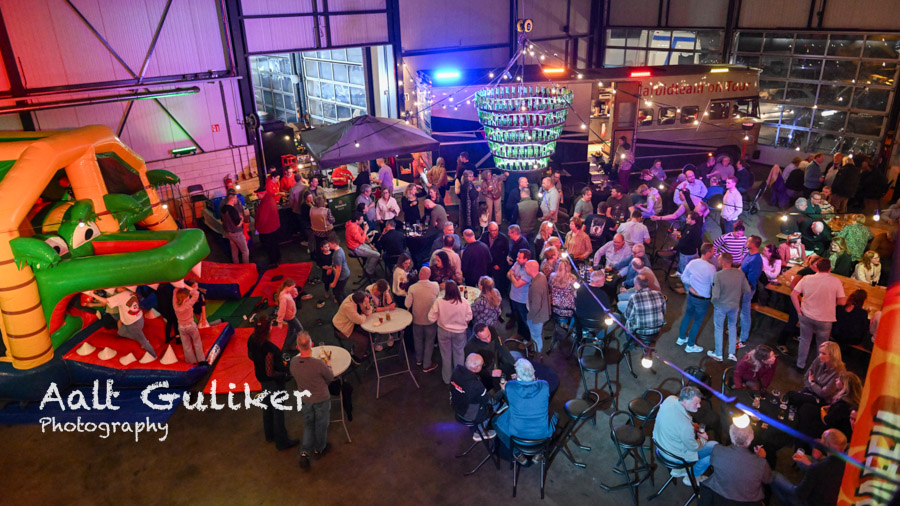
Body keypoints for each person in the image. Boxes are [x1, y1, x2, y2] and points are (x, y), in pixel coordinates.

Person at [246, 315, 297, 450]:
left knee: (267, 407)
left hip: (262, 378)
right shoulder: (270, 348)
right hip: (273, 382)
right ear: (268, 329)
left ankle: (269, 435)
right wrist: (286, 374)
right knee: (278, 411)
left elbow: (251, 356)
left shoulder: (252, 340)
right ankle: (282, 442)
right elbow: (270, 372)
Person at [653, 387, 718, 484]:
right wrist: (703, 438)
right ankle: (691, 476)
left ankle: (679, 470)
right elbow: (694, 447)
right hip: (675, 457)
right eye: (696, 403)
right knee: (713, 451)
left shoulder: (670, 399)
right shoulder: (685, 427)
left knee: (711, 447)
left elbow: (674, 422)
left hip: (661, 445)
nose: (699, 406)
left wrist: (691, 426)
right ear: (685, 401)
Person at [493, 358, 557, 455]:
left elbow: (510, 400)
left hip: (517, 435)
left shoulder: (510, 386)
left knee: (495, 421)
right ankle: (540, 453)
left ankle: (516, 452)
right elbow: (534, 382)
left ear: (518, 375)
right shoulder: (544, 385)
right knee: (554, 415)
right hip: (541, 436)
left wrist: (503, 390)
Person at [792, 258, 846, 370]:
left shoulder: (807, 278)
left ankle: (800, 365)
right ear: (830, 268)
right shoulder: (836, 281)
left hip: (806, 315)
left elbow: (793, 294)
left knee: (804, 340)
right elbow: (842, 301)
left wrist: (798, 310)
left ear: (817, 267)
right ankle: (819, 367)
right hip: (825, 319)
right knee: (822, 344)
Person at [291, 331, 334, 468]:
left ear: (297, 347)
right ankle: (319, 448)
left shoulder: (293, 362)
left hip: (305, 399)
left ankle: (304, 452)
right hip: (321, 398)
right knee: (321, 425)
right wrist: (328, 365)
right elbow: (330, 377)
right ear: (312, 345)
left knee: (309, 425)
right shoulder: (318, 364)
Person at [770, 429, 847, 506]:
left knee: (773, 475)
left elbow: (799, 494)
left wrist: (811, 466)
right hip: (835, 497)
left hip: (813, 502)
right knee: (804, 461)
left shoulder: (816, 468)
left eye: (822, 439)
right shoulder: (849, 460)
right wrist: (808, 464)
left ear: (826, 446)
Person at [701, 423, 772, 504]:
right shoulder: (761, 463)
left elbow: (714, 463)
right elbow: (768, 479)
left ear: (731, 437)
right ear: (750, 440)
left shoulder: (717, 450)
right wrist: (760, 458)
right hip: (747, 503)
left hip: (717, 498)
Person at [88, 288, 157, 359]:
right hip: (139, 319)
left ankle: (154, 356)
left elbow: (105, 301)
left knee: (142, 340)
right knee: (122, 331)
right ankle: (139, 338)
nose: (116, 288)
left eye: (118, 287)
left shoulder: (121, 296)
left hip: (133, 324)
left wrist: (92, 294)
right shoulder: (129, 293)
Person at [428, 280, 473, 384]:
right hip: (460, 332)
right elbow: (469, 316)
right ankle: (459, 379)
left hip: (443, 331)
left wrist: (440, 317)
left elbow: (431, 318)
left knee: (445, 355)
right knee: (459, 354)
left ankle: (447, 379)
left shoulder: (439, 301)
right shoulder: (463, 301)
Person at [709, 252, 750, 362]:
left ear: (722, 261)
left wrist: (713, 302)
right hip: (734, 306)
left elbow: (715, 295)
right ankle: (731, 353)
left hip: (721, 306)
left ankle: (718, 353)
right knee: (732, 327)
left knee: (719, 328)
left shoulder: (718, 275)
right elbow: (747, 290)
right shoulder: (740, 274)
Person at [677, 243, 717, 353]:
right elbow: (713, 283)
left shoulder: (692, 263)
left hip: (691, 296)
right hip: (702, 299)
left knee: (687, 315)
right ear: (708, 252)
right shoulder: (711, 268)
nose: (714, 253)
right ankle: (690, 345)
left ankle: (681, 338)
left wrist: (692, 286)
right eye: (713, 251)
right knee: (697, 321)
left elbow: (684, 277)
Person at [450, 353, 495, 438]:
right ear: (476, 368)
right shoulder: (475, 385)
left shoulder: (456, 370)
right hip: (468, 413)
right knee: (496, 404)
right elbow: (489, 400)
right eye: (482, 365)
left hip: (456, 405)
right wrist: (503, 391)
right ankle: (479, 432)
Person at [406, 267, 440, 372]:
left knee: (418, 339)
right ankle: (427, 364)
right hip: (431, 320)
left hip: (417, 319)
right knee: (429, 341)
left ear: (419, 274)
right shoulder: (435, 285)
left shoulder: (412, 287)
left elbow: (407, 304)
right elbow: (437, 298)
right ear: (429, 275)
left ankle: (419, 360)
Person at [466, 323, 516, 389]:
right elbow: (472, 369)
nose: (488, 340)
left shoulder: (492, 330)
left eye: (489, 335)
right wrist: (490, 373)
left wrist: (514, 363)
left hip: (493, 361)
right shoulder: (470, 347)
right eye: (484, 338)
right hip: (484, 370)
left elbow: (501, 347)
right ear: (477, 336)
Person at [737, 235, 763, 349]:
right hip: (741, 287)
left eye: (748, 241)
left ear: (753, 244)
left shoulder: (756, 260)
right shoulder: (749, 254)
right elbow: (742, 268)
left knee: (745, 313)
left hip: (746, 290)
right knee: (741, 311)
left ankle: (743, 338)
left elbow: (752, 280)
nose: (746, 242)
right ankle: (740, 331)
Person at [332, 291, 372, 363]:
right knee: (364, 340)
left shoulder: (355, 297)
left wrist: (368, 305)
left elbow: (367, 312)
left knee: (370, 332)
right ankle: (356, 356)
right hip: (342, 329)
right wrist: (363, 314)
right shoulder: (348, 306)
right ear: (360, 302)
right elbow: (360, 320)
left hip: (352, 324)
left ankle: (364, 349)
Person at [624, 274, 667, 339]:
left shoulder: (634, 297)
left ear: (636, 284)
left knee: (627, 322)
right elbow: (664, 311)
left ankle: (630, 344)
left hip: (640, 330)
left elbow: (627, 316)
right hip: (657, 328)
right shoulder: (659, 294)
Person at [173, 285, 205, 365]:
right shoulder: (188, 304)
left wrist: (178, 286)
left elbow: (174, 292)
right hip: (191, 325)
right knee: (197, 342)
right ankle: (201, 361)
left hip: (181, 327)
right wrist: (185, 286)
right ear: (187, 297)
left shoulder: (175, 306)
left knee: (186, 345)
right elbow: (196, 294)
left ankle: (192, 361)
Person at [525, 260, 550, 354]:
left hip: (537, 317)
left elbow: (536, 307)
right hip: (543, 313)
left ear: (531, 269)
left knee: (536, 336)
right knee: (538, 334)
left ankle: (538, 355)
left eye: (526, 267)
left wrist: (529, 317)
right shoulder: (541, 276)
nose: (525, 268)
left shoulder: (536, 285)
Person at [507, 249, 533, 338]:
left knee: (525, 320)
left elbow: (517, 284)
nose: (517, 259)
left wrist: (512, 276)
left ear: (526, 259)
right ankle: (520, 333)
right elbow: (508, 273)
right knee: (518, 318)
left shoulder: (528, 270)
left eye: (519, 257)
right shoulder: (517, 264)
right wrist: (513, 277)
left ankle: (527, 339)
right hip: (513, 296)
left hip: (522, 300)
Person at [345, 212, 379, 277]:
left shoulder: (355, 224)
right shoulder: (352, 228)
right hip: (355, 248)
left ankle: (365, 269)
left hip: (358, 244)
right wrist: (366, 230)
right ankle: (369, 272)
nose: (363, 220)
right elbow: (361, 240)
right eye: (361, 219)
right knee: (377, 255)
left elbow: (362, 233)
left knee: (375, 251)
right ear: (357, 220)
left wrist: (370, 245)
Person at [480, 222, 511, 294]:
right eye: (492, 230)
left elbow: (505, 253)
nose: (495, 232)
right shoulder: (485, 235)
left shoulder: (503, 239)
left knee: (498, 281)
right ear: (489, 230)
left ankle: (500, 295)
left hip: (497, 264)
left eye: (496, 230)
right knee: (487, 279)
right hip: (487, 263)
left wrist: (499, 264)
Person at [221, 189, 249, 264]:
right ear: (233, 198)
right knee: (245, 251)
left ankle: (236, 266)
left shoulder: (223, 208)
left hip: (229, 233)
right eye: (236, 198)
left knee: (234, 251)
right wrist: (242, 218)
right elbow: (238, 224)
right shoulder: (233, 210)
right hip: (237, 233)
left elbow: (222, 220)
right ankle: (247, 268)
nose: (237, 200)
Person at [549, 261, 577, 330]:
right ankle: (571, 329)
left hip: (554, 307)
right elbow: (575, 293)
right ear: (569, 267)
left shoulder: (552, 276)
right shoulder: (572, 278)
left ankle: (562, 324)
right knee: (579, 309)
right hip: (568, 309)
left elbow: (550, 289)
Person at [275, 278, 303, 346]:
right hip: (290, 316)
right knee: (300, 330)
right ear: (287, 287)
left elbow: (295, 295)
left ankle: (288, 344)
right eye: (292, 287)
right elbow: (282, 309)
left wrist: (293, 289)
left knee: (291, 329)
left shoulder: (287, 292)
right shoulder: (284, 297)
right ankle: (289, 344)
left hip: (290, 314)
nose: (293, 288)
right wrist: (280, 321)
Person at [325, 233, 351, 303]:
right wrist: (331, 267)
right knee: (340, 290)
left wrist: (334, 282)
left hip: (342, 276)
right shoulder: (340, 249)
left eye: (329, 244)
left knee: (338, 293)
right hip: (345, 273)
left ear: (334, 244)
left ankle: (343, 306)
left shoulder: (337, 255)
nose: (328, 246)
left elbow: (338, 271)